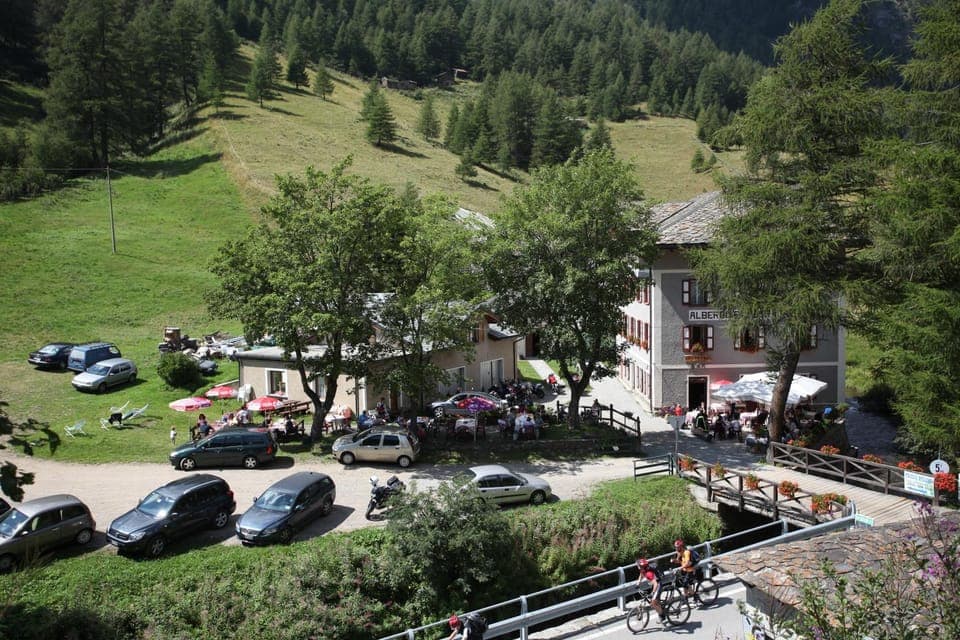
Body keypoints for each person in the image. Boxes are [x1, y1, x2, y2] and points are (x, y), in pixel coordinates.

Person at [636, 557, 667, 623]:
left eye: (638, 566)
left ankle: (662, 616)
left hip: (657, 585)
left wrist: (653, 592)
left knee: (653, 603)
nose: (637, 567)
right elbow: (641, 575)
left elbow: (655, 584)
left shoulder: (649, 573)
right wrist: (638, 582)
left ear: (642, 567)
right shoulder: (643, 569)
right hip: (653, 584)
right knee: (656, 601)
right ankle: (660, 608)